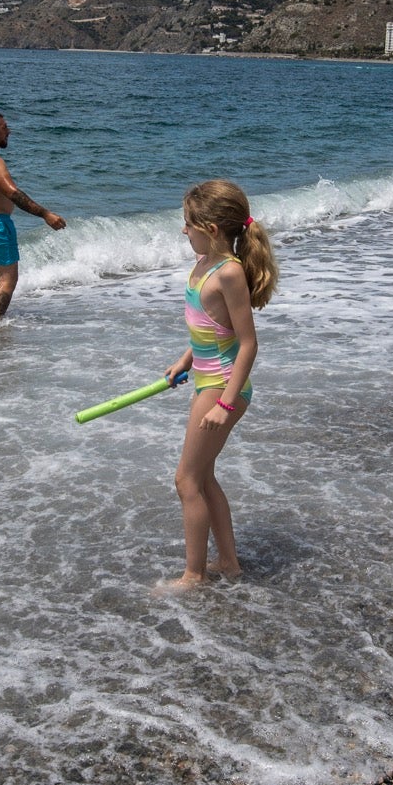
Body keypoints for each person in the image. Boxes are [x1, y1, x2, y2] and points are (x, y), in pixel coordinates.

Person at [157, 179, 278, 593]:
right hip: (207, 381)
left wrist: (224, 404)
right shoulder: (202, 264)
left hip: (223, 388)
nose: (182, 230)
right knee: (204, 477)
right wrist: (184, 360)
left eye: (188, 223)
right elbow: (211, 330)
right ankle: (228, 563)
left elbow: (247, 344)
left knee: (185, 481)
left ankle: (194, 575)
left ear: (209, 228)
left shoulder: (228, 273)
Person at [0, 110, 66, 318]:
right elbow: (14, 194)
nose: (9, 131)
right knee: (8, 278)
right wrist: (45, 214)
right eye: (4, 127)